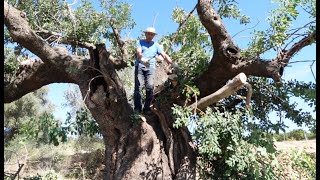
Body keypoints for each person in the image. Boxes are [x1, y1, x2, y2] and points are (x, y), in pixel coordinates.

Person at [134, 27, 173, 114]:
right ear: (145, 34)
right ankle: (137, 108)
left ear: (154, 36)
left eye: (152, 34)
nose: (150, 36)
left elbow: (163, 55)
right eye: (148, 34)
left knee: (150, 87)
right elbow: (139, 52)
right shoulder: (140, 42)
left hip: (150, 68)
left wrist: (171, 62)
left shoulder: (156, 45)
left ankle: (146, 108)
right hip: (140, 66)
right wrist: (142, 59)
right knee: (138, 88)